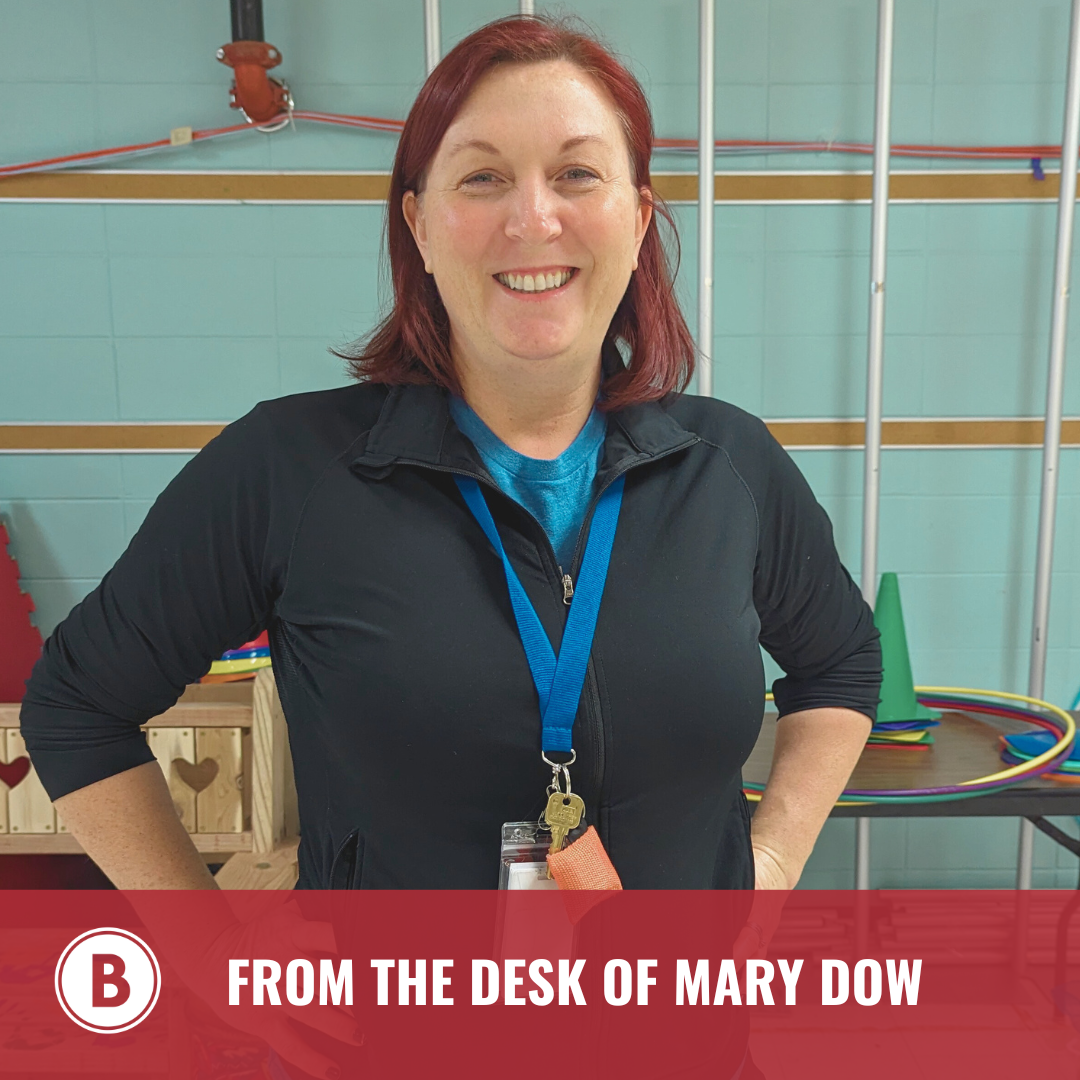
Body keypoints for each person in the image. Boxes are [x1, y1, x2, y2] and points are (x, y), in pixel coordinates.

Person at [20, 15, 881, 896]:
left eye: (577, 174)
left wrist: (773, 862)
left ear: (637, 220)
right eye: (483, 178)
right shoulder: (289, 470)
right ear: (421, 226)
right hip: (388, 991)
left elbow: (842, 663)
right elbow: (77, 707)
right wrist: (213, 956)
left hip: (681, 987)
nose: (533, 219)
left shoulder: (729, 467)